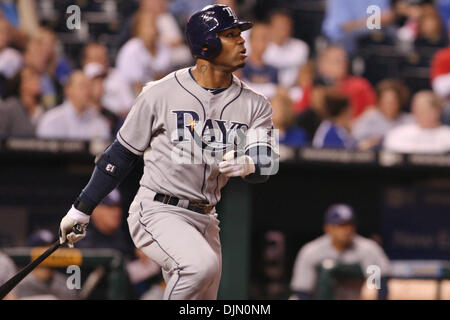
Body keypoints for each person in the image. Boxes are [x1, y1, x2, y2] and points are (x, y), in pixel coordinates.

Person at [58, 4, 278, 300]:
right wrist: (80, 209)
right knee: (199, 268)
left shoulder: (256, 103)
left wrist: (250, 163)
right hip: (157, 209)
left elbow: (267, 163)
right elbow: (120, 155)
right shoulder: (160, 92)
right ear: (206, 44)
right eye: (231, 34)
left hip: (206, 218)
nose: (242, 41)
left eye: (240, 33)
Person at [290, 204, 391, 300]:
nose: (346, 230)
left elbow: (378, 283)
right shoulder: (311, 251)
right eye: (340, 225)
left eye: (349, 224)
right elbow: (303, 290)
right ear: (328, 228)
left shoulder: (368, 249)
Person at [36, 71, 110, 140]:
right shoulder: (51, 120)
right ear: (68, 90)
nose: (87, 91)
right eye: (82, 86)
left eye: (89, 87)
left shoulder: (99, 122)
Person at [115, 11, 172, 96]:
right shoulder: (131, 50)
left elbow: (167, 78)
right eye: (146, 26)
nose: (151, 30)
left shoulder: (163, 47)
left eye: (153, 25)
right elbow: (135, 86)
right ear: (138, 28)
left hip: (158, 94)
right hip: (130, 97)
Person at [316, 45, 377, 119]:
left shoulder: (359, 85)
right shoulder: (314, 88)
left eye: (343, 60)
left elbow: (372, 111)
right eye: (335, 61)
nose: (341, 64)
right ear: (321, 65)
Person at [15, 229, 79, 300]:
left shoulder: (66, 283)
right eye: (43, 247)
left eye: (52, 247)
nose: (49, 250)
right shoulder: (18, 283)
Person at [352, 79, 413, 150]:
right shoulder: (369, 118)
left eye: (393, 102)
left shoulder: (409, 121)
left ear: (400, 102)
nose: (389, 106)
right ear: (379, 102)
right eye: (385, 102)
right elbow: (356, 141)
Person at [383, 90, 450, 153]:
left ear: (438, 111)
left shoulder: (447, 135)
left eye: (425, 110)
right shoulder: (397, 134)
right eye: (418, 109)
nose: (420, 113)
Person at [81, 42, 135, 118]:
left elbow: (130, 108)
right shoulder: (80, 79)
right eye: (97, 58)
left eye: (104, 56)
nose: (102, 60)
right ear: (85, 61)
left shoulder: (117, 75)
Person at [322, 0, 394, 55]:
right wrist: (374, 21)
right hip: (347, 47)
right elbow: (343, 27)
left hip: (379, 45)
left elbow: (388, 17)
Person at [263, 10, 309, 88]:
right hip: (266, 89)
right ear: (270, 27)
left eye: (287, 26)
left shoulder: (300, 47)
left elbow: (304, 74)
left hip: (292, 90)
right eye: (280, 26)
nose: (284, 29)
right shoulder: (261, 46)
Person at [0, 66, 44, 137]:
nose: (37, 81)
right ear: (21, 84)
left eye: (38, 78)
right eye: (31, 78)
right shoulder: (8, 108)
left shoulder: (44, 108)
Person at [241, 22, 279, 99]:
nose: (262, 43)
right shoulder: (240, 67)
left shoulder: (273, 70)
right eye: (258, 38)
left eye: (265, 39)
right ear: (250, 40)